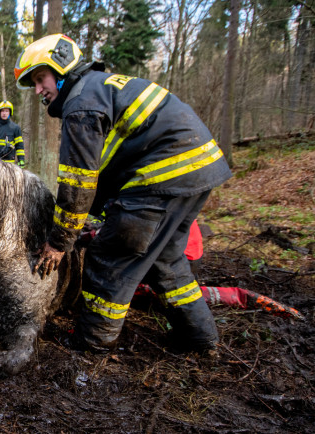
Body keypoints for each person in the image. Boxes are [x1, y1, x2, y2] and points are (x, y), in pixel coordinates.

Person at [15, 34, 231, 353]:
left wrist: (60, 241)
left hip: (164, 173)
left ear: (60, 67)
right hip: (197, 169)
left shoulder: (81, 103)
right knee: (166, 261)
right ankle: (200, 339)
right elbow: (110, 163)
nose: (38, 90)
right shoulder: (101, 88)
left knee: (108, 259)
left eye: (39, 78)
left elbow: (78, 181)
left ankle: (91, 344)